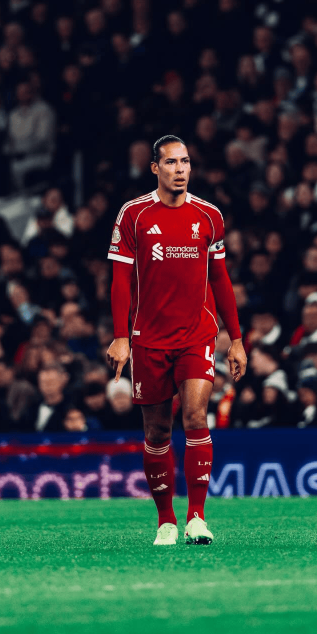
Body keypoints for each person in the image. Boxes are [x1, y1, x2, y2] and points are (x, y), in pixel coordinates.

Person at [106, 134, 246, 546]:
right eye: (171, 162)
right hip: (148, 338)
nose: (180, 169)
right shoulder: (133, 215)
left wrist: (237, 338)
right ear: (155, 168)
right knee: (156, 431)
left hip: (197, 333)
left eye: (185, 162)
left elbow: (220, 278)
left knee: (196, 417)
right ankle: (166, 520)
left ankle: (196, 517)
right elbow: (119, 281)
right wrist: (120, 336)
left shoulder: (209, 216)